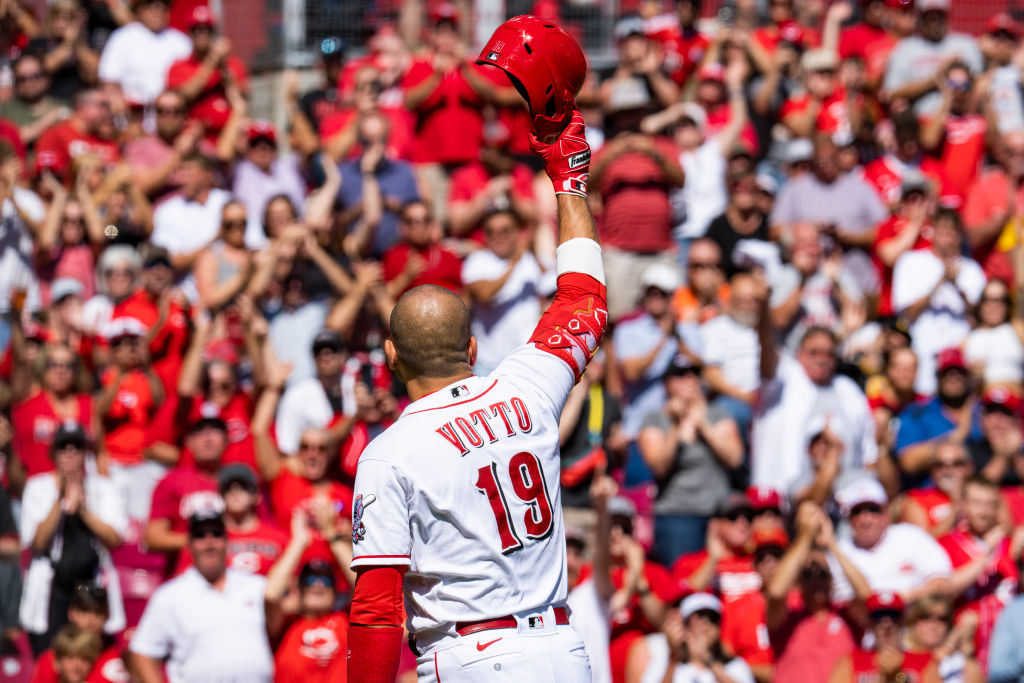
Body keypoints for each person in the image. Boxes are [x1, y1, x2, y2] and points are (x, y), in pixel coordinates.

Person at [346, 24, 603, 675]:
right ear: (470, 344)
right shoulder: (525, 388)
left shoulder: (390, 453)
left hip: (472, 656)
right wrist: (567, 180)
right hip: (561, 649)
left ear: (391, 356)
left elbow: (377, 612)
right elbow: (583, 300)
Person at [18, 422, 126, 654]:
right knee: (52, 655)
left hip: (91, 584)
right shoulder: (38, 487)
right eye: (63, 447)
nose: (70, 454)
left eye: (76, 447)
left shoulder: (104, 488)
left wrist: (83, 509)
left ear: (85, 452)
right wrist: (61, 499)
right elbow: (37, 542)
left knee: (92, 655)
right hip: (53, 585)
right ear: (53, 453)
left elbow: (115, 538)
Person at [129, 511, 273, 682]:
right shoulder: (170, 595)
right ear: (189, 543)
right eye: (200, 535)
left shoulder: (255, 585)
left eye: (216, 534)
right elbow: (143, 651)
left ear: (227, 541)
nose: (209, 542)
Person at [638, 356, 744, 564]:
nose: (690, 380)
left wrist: (702, 423)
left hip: (719, 515)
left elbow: (735, 458)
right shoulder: (656, 419)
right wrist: (677, 426)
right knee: (682, 585)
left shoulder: (717, 414)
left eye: (694, 374)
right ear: (667, 384)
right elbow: (659, 466)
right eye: (680, 375)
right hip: (678, 516)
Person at [892, 209, 986, 394]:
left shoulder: (972, 269)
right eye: (943, 230)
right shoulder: (911, 261)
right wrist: (940, 283)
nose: (948, 237)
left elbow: (980, 317)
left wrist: (958, 288)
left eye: (953, 232)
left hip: (960, 357)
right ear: (932, 231)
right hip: (924, 354)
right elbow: (907, 313)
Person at [829, 477, 952, 603]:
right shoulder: (840, 550)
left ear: (886, 513)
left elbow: (941, 583)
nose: (866, 520)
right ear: (848, 518)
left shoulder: (911, 536)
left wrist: (894, 601)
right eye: (858, 512)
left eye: (873, 510)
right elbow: (842, 600)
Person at [462, 210, 544, 376]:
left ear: (516, 233)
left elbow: (551, 288)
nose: (498, 236)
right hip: (489, 363)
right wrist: (514, 261)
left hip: (527, 360)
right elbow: (485, 295)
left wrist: (532, 248)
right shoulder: (477, 261)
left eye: (505, 231)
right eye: (491, 231)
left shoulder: (531, 259)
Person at [640, 593, 755, 683]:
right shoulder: (663, 663)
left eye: (712, 619)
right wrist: (674, 659)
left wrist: (708, 660)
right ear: (684, 626)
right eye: (698, 618)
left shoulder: (734, 665)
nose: (705, 626)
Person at [827, 592, 941, 683]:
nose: (886, 624)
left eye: (893, 615)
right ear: (870, 622)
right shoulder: (850, 662)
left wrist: (898, 676)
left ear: (902, 621)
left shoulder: (924, 661)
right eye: (878, 616)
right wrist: (881, 679)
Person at [31, 583, 128, 683]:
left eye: (97, 612)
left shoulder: (120, 654)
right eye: (84, 611)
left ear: (107, 615)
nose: (90, 620)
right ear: (71, 613)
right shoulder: (52, 659)